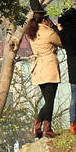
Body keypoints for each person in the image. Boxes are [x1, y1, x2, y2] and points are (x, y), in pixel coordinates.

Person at [25, 11, 62, 139]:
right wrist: (55, 28)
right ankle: (45, 127)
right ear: (44, 21)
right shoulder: (48, 32)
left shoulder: (31, 33)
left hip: (38, 68)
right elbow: (61, 42)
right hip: (49, 66)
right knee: (50, 101)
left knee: (48, 100)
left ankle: (39, 127)